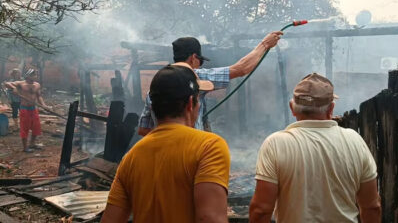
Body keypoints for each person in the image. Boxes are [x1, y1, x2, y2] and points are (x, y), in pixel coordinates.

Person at [101, 65, 230, 223]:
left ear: (153, 107)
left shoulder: (131, 157)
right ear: (191, 103)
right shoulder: (210, 147)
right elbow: (210, 218)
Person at [249, 73, 381, 223]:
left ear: (292, 108)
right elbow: (372, 207)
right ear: (331, 108)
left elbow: (261, 210)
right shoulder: (355, 141)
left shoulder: (275, 144)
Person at [138, 32, 283, 136]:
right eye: (200, 61)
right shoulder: (196, 77)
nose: (200, 66)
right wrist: (264, 45)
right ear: (194, 57)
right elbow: (241, 68)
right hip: (192, 152)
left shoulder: (156, 85)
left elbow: (143, 129)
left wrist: (167, 137)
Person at [5, 69, 48, 153]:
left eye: (36, 74)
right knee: (25, 128)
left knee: (36, 127)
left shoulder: (37, 85)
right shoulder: (21, 84)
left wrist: (43, 105)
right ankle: (25, 148)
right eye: (34, 75)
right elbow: (6, 84)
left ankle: (32, 144)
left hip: (33, 109)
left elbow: (39, 96)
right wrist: (14, 88)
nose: (36, 76)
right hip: (24, 109)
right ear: (28, 76)